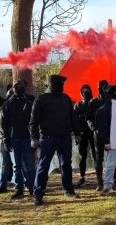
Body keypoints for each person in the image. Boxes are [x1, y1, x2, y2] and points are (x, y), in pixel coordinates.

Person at [30, 75, 81, 206]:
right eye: (61, 84)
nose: (62, 86)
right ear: (53, 84)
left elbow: (73, 117)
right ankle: (38, 194)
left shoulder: (65, 98)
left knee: (66, 165)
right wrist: (34, 138)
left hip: (64, 137)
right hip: (47, 138)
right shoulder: (41, 99)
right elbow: (33, 122)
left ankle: (68, 190)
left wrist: (77, 133)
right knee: (43, 166)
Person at [0, 79, 35, 199]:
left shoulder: (30, 103)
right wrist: (6, 138)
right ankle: (19, 188)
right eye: (16, 87)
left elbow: (34, 122)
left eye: (21, 86)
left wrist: (34, 138)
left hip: (27, 138)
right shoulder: (7, 105)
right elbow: (4, 124)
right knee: (17, 165)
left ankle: (32, 188)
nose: (18, 88)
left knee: (30, 165)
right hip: (14, 138)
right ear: (13, 89)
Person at [86, 79, 116, 191]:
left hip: (112, 133)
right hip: (98, 134)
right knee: (98, 158)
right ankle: (99, 182)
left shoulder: (113, 100)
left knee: (114, 157)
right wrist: (93, 127)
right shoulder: (93, 102)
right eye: (101, 87)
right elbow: (88, 117)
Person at [74, 84, 96, 187]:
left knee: (96, 155)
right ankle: (82, 177)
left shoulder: (95, 103)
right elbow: (74, 120)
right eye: (83, 92)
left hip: (94, 132)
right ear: (80, 93)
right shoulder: (77, 105)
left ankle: (99, 177)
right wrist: (77, 133)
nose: (85, 93)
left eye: (87, 91)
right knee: (82, 155)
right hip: (82, 133)